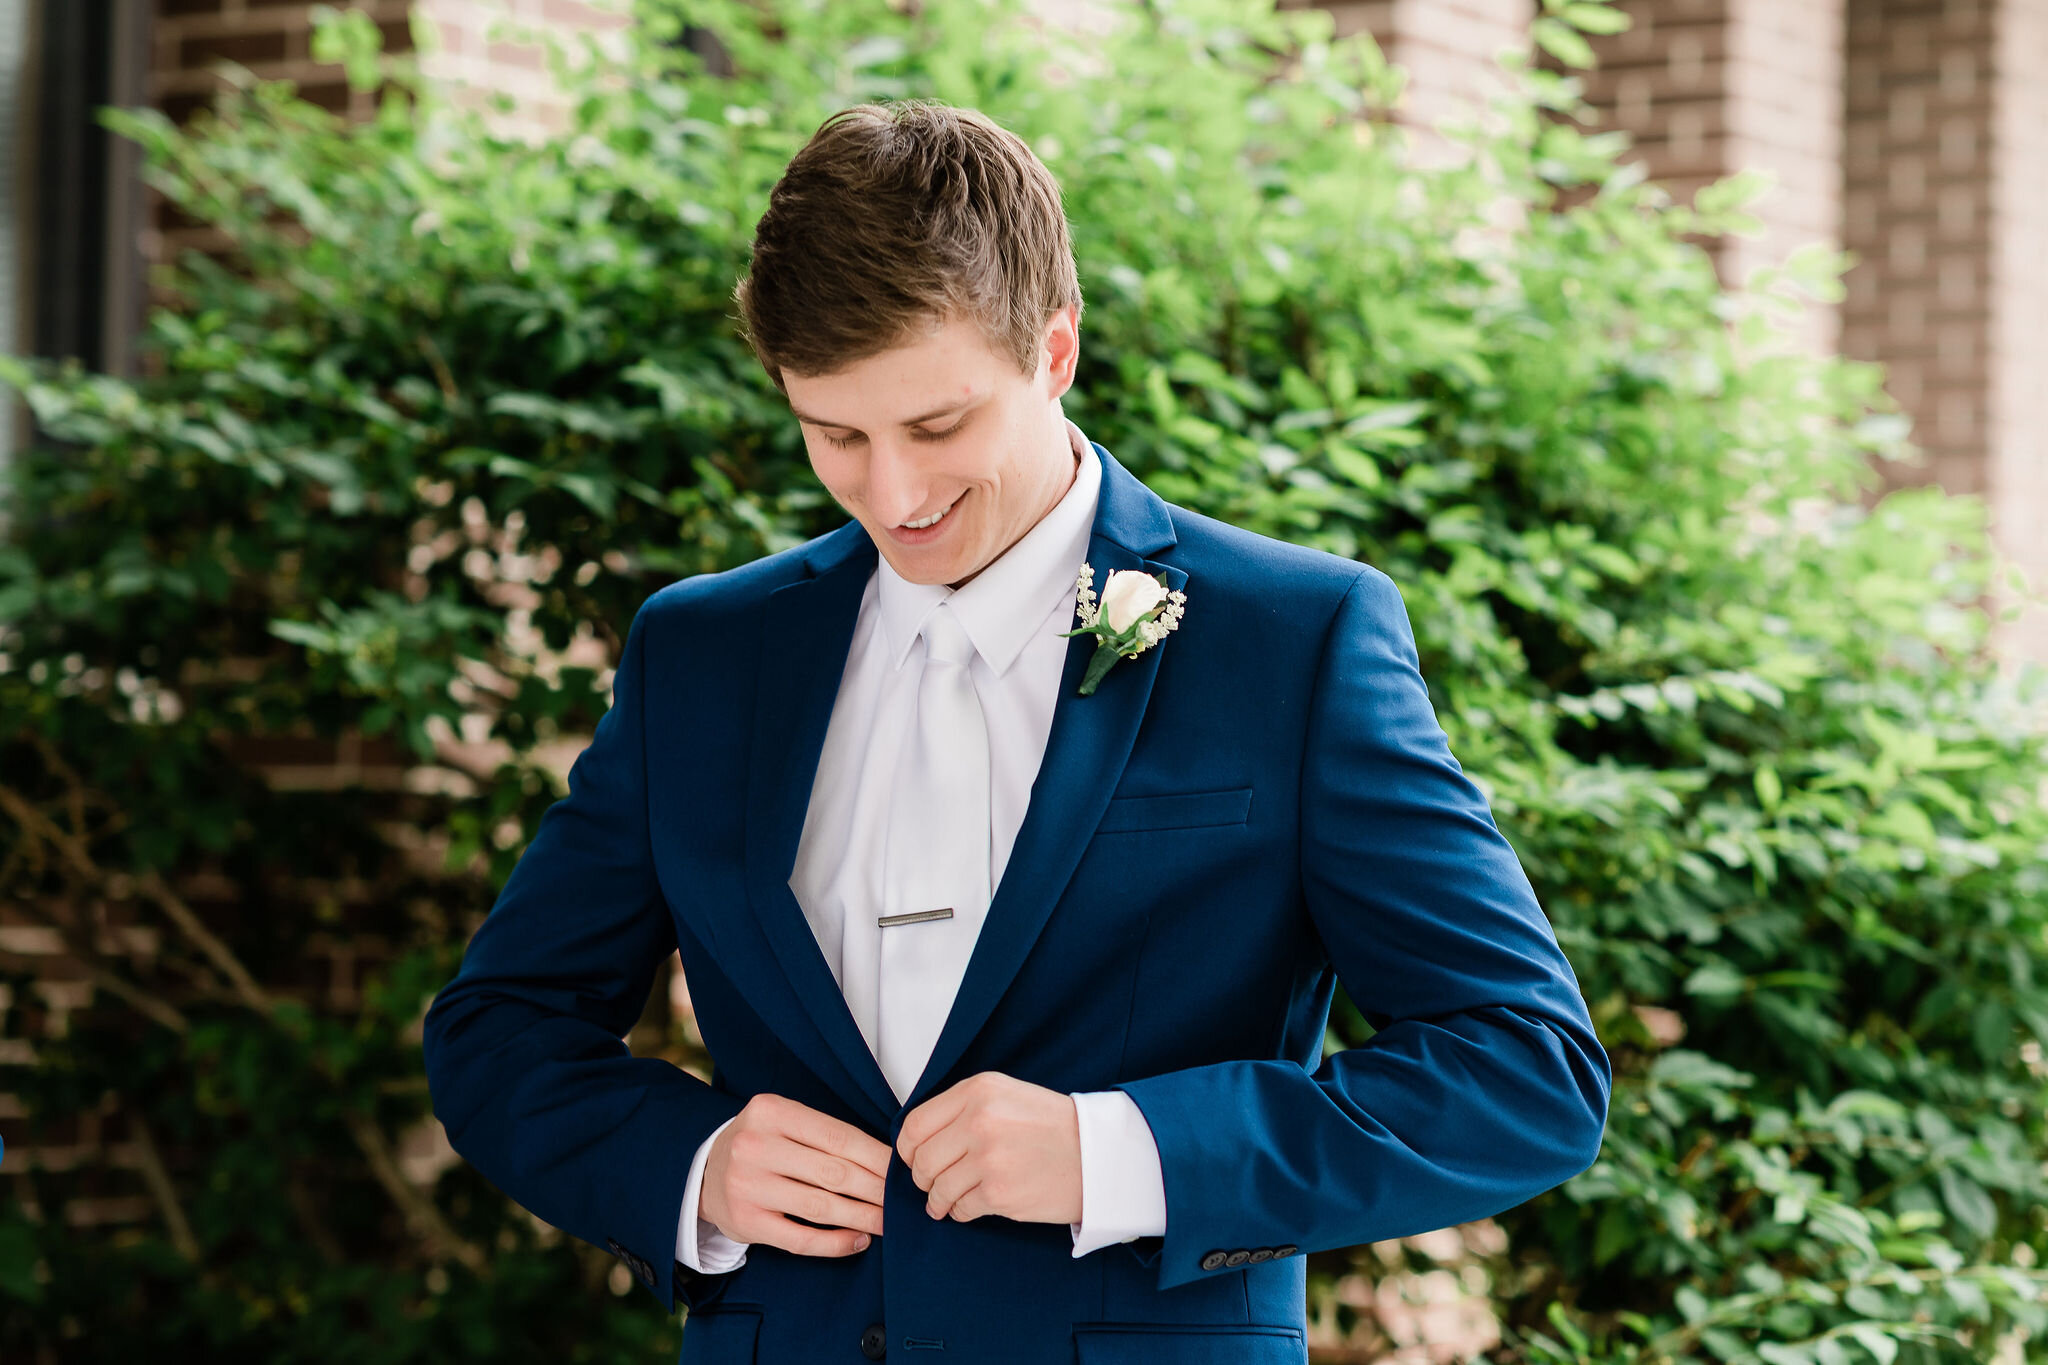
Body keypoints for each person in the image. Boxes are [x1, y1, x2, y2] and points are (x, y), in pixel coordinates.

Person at [421, 99, 1611, 1364]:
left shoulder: (1293, 639)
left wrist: (1123, 1157)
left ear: (1053, 351)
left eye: (937, 427)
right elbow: (501, 1029)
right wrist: (696, 1168)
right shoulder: (702, 653)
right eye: (834, 434)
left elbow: (1522, 1073)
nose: (894, 493)